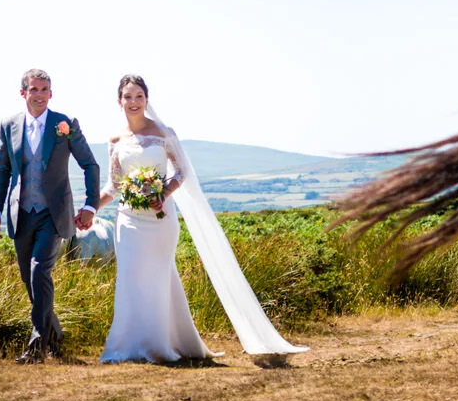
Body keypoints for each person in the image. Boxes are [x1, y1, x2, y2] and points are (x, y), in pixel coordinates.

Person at [97, 75, 307, 364]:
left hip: (160, 219)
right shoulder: (116, 140)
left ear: (147, 99)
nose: (133, 102)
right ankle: (129, 346)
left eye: (139, 96)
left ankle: (161, 345)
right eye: (128, 97)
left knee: (159, 278)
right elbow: (114, 185)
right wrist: (88, 208)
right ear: (119, 101)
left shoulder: (163, 133)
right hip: (128, 221)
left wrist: (164, 192)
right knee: (130, 278)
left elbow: (181, 172)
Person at [0, 69, 99, 363]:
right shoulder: (9, 125)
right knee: (30, 280)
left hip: (53, 214)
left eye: (44, 89)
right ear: (23, 93)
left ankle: (36, 345)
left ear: (51, 93)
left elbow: (90, 164)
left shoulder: (64, 124)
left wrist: (90, 206)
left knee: (40, 271)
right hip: (21, 213)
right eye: (33, 89)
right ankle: (55, 336)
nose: (39, 94)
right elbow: (4, 170)